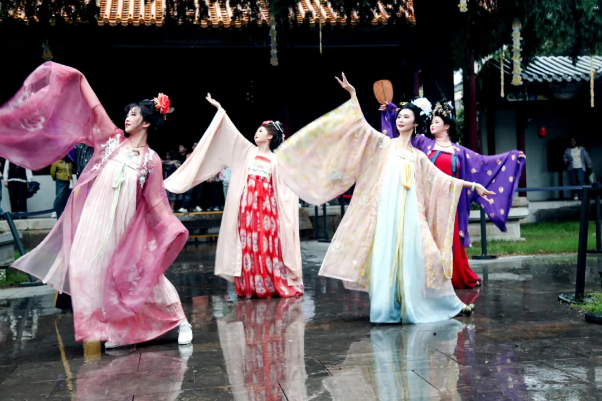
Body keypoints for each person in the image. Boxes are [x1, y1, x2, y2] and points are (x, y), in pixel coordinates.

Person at [0, 61, 192, 349]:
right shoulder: (111, 140)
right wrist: (78, 78)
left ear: (147, 122)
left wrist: (171, 227)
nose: (127, 117)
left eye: (134, 114)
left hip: (124, 227)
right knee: (84, 270)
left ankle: (180, 321)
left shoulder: (151, 160)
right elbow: (94, 107)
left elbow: (155, 201)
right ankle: (110, 328)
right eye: (127, 113)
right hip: (94, 221)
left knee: (139, 277)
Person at [275, 74, 495, 324]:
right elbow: (360, 126)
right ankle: (386, 308)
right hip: (386, 213)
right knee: (385, 255)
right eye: (399, 116)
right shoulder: (384, 145)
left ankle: (445, 303)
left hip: (411, 216)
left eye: (406, 117)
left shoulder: (418, 157)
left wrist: (473, 185)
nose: (400, 120)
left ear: (415, 123)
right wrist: (353, 95)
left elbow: (442, 180)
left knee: (425, 257)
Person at [165, 93, 303, 299]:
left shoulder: (276, 160)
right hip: (247, 207)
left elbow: (284, 187)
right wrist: (220, 110)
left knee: (266, 244)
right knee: (248, 244)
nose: (256, 133)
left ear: (270, 136)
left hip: (267, 208)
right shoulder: (248, 152)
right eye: (257, 130)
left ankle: (269, 284)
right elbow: (231, 133)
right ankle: (251, 285)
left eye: (261, 131)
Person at [381, 99, 525, 289]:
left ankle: (453, 275)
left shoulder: (459, 151)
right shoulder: (423, 143)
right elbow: (401, 135)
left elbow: (484, 162)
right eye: (431, 122)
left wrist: (511, 157)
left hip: (450, 201)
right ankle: (427, 276)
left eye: (437, 122)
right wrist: (392, 111)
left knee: (451, 238)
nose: (432, 125)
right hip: (427, 201)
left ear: (447, 126)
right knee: (427, 239)